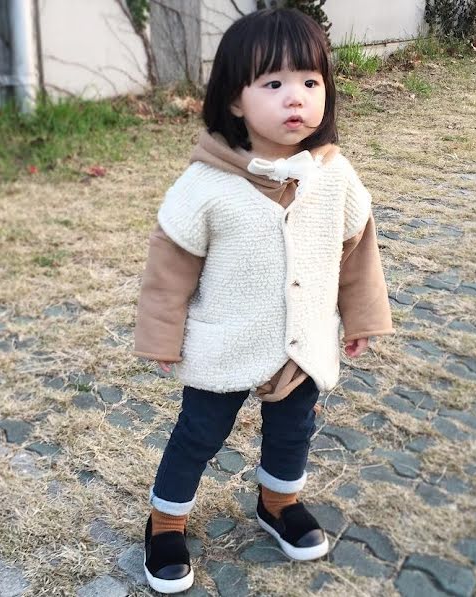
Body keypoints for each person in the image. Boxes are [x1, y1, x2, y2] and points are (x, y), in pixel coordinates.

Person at [133, 7, 394, 593]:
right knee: (199, 434)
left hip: (304, 339)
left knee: (293, 430)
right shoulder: (206, 185)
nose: (295, 97)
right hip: (226, 341)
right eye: (273, 83)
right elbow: (169, 269)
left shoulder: (335, 175)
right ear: (235, 100)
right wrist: (161, 337)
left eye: (310, 81)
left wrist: (362, 317)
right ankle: (165, 523)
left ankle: (278, 503)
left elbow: (357, 249)